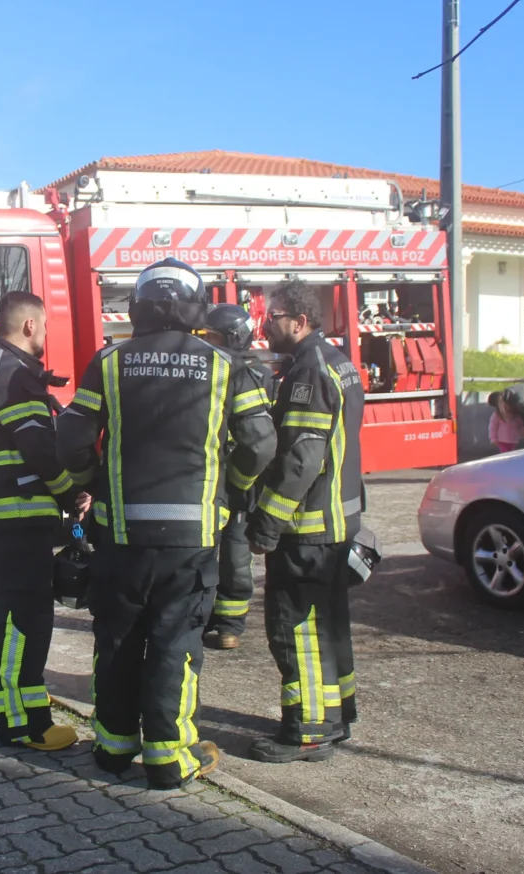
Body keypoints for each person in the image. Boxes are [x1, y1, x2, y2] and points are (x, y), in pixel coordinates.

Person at [57, 258, 278, 790]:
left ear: (137, 305)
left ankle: (111, 748)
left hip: (120, 537)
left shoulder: (108, 362)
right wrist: (233, 489)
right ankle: (169, 758)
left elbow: (71, 438)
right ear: (194, 306)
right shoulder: (225, 365)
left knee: (116, 640)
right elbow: (260, 444)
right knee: (175, 643)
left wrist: (86, 480)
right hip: (191, 540)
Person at [0, 291, 91, 753]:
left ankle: (6, 703)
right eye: (46, 327)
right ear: (31, 326)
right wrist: (71, 492)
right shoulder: (15, 377)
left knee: (7, 614)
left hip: (10, 523)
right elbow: (38, 448)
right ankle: (26, 724)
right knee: (26, 620)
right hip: (21, 523)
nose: (47, 336)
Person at [245, 280, 365, 765]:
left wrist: (268, 522)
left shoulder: (307, 373)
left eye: (271, 317)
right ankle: (339, 714)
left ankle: (310, 730)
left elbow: (303, 458)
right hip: (338, 525)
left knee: (295, 628)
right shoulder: (337, 362)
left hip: (308, 528)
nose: (264, 326)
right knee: (330, 625)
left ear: (298, 321)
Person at [200, 303, 277, 650]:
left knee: (233, 552)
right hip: (225, 475)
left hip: (237, 478)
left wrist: (241, 480)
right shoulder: (244, 372)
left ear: (233, 337)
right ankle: (212, 619)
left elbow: (262, 438)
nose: (207, 343)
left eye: (213, 336)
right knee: (209, 549)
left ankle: (229, 625)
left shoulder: (252, 376)